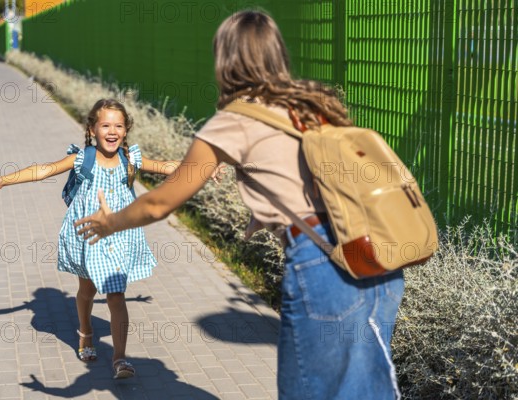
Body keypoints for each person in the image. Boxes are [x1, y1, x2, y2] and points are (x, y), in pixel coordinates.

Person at [74, 11, 405, 400]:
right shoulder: (312, 104)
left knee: (309, 391)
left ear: (225, 60)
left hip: (324, 267)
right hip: (376, 255)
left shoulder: (236, 119)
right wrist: (266, 214)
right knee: (367, 390)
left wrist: (111, 222)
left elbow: (161, 201)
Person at [0, 99, 187, 379]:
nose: (112, 131)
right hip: (88, 235)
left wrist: (206, 167)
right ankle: (85, 332)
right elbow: (44, 170)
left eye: (118, 125)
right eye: (105, 125)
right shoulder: (81, 159)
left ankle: (120, 358)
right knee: (87, 291)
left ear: (126, 130)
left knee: (116, 294)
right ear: (92, 129)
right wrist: (4, 181)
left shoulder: (130, 159)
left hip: (119, 234)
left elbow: (167, 167)